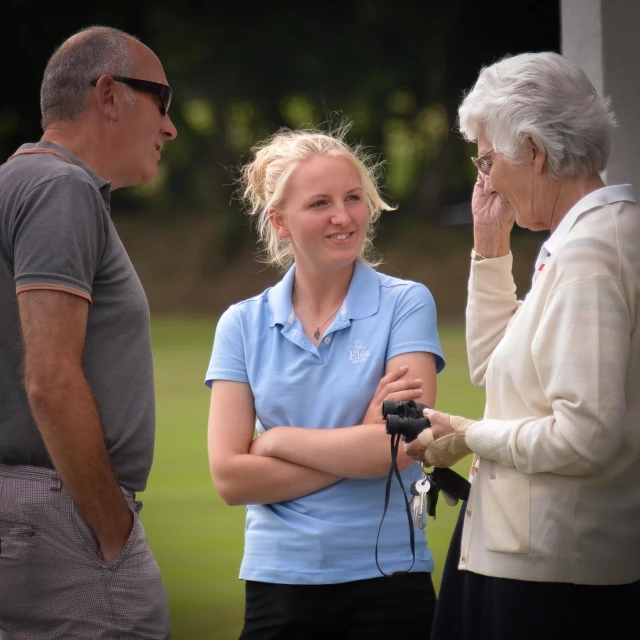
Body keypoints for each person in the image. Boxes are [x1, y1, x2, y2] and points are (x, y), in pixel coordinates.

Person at [404, 52, 640, 640]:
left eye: (487, 159)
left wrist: (466, 433)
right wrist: (489, 247)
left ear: (533, 151)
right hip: (537, 558)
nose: (482, 180)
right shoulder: (589, 237)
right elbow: (492, 367)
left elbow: (585, 435)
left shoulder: (591, 254)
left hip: (551, 573)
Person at [205, 126, 445, 639]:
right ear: (280, 221)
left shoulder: (407, 304)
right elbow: (229, 479)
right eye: (319, 203)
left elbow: (401, 449)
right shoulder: (241, 324)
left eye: (353, 198)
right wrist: (357, 440)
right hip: (278, 579)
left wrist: (278, 442)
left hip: (390, 577)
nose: (343, 216)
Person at [0, 26, 177, 639]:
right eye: (162, 100)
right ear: (108, 95)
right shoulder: (60, 189)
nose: (171, 127)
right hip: (58, 515)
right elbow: (49, 379)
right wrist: (111, 530)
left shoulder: (15, 183)